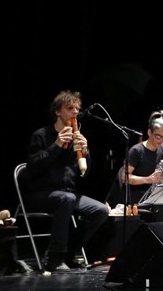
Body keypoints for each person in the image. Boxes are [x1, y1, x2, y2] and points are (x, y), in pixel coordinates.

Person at [23, 90, 109, 271]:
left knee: (100, 210)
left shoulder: (75, 139)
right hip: (40, 193)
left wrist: (85, 153)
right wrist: (56, 146)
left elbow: (84, 174)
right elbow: (32, 168)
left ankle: (70, 252)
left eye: (77, 108)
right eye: (70, 108)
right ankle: (55, 258)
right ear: (58, 112)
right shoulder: (41, 135)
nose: (75, 112)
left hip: (67, 194)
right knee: (66, 200)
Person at [119, 109, 163, 222]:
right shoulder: (137, 151)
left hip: (158, 192)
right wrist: (148, 179)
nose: (161, 140)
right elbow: (124, 177)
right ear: (149, 133)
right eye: (158, 136)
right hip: (140, 194)